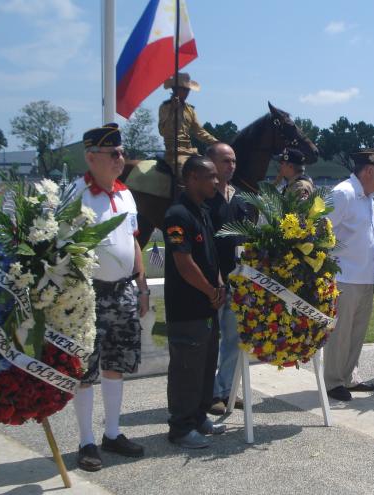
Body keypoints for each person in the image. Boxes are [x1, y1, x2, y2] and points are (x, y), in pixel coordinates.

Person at [71, 123, 149, 472]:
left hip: (122, 292)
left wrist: (142, 284)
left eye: (121, 152)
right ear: (91, 157)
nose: (121, 158)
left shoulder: (125, 193)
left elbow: (133, 241)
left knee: (117, 363)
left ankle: (113, 433)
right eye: (114, 153)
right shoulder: (76, 196)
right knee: (85, 370)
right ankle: (87, 440)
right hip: (87, 294)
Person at [163, 155, 227, 449]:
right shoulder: (178, 215)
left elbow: (209, 257)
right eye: (210, 176)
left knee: (204, 365)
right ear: (191, 179)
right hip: (188, 307)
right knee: (186, 370)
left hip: (206, 306)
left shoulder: (201, 211)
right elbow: (184, 263)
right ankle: (181, 427)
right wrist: (209, 291)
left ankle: (199, 417)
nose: (216, 181)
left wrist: (219, 285)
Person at [325, 149, 374, 401]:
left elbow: (367, 230)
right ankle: (334, 381)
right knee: (340, 333)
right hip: (344, 276)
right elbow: (321, 229)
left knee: (356, 332)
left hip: (365, 276)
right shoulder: (343, 193)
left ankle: (348, 377)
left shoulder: (366, 197)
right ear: (368, 171)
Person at [205, 142, 253, 415]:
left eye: (233, 161)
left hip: (238, 279)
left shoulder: (240, 198)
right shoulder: (205, 197)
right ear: (210, 162)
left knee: (234, 338)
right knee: (211, 340)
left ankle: (226, 389)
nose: (231, 166)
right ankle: (209, 393)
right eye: (225, 161)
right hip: (211, 281)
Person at [158, 73, 218, 180]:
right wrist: (173, 111)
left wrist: (216, 142)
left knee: (208, 168)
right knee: (184, 173)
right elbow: (163, 131)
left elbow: (199, 131)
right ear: (175, 89)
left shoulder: (189, 109)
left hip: (190, 151)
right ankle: (180, 196)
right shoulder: (165, 107)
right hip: (174, 152)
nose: (187, 93)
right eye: (184, 90)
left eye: (188, 90)